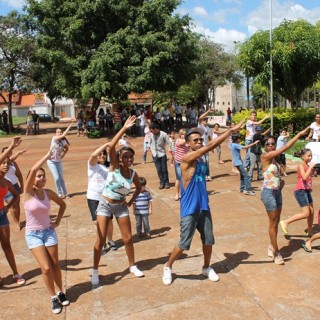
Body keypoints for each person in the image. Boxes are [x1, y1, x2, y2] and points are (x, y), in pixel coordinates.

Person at [162, 120, 245, 286]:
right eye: (195, 140)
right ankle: (168, 266)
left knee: (208, 240)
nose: (200, 142)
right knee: (184, 244)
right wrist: (229, 132)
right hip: (189, 208)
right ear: (188, 143)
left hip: (203, 206)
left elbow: (209, 145)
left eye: (201, 140)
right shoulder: (186, 159)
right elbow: (210, 146)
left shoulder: (200, 161)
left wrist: (229, 131)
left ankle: (206, 267)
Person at [91, 116, 144, 285]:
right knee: (100, 241)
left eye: (131, 157)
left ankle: (132, 265)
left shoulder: (134, 174)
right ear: (120, 159)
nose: (129, 159)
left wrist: (129, 202)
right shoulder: (114, 167)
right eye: (126, 156)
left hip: (121, 207)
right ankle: (95, 270)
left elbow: (139, 188)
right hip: (105, 206)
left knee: (128, 238)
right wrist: (124, 128)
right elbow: (111, 146)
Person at [24, 149, 69, 314]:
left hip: (49, 232)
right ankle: (53, 298)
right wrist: (47, 156)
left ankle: (60, 291)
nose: (42, 178)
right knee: (46, 268)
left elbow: (63, 205)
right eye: (38, 176)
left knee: (55, 265)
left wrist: (57, 221)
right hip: (33, 235)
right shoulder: (27, 194)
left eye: (44, 176)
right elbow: (34, 169)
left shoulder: (48, 193)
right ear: (32, 179)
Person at [260, 126, 310, 265]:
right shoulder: (265, 156)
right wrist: (299, 134)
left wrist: (280, 182)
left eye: (272, 143)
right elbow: (286, 146)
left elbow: (273, 175)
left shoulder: (274, 160)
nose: (271, 146)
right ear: (264, 147)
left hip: (277, 192)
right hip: (268, 193)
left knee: (275, 223)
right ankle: (276, 252)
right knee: (273, 222)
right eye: (268, 144)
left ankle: (271, 246)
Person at [0, 137, 26, 287]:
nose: (5, 165)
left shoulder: (6, 182)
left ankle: (16, 274)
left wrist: (7, 207)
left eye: (7, 164)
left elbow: (16, 195)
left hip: (2, 215)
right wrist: (11, 146)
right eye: (3, 163)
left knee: (7, 245)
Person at [87, 141, 117, 254]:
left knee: (109, 221)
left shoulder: (109, 167)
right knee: (98, 222)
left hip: (106, 198)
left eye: (104, 154)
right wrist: (105, 145)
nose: (102, 156)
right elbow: (93, 156)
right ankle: (102, 242)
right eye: (100, 154)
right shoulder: (92, 166)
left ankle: (110, 240)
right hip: (94, 198)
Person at [280, 149, 315, 237]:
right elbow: (304, 177)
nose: (310, 158)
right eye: (308, 156)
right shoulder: (301, 165)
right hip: (300, 191)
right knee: (306, 213)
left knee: (311, 211)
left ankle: (310, 230)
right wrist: (310, 168)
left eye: (311, 156)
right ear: (302, 156)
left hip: (306, 190)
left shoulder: (307, 165)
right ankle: (286, 222)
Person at [47, 123, 73, 199]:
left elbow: (67, 149)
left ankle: (65, 193)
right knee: (57, 177)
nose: (59, 133)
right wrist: (70, 126)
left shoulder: (63, 141)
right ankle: (59, 193)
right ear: (56, 133)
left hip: (58, 161)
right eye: (58, 132)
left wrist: (63, 155)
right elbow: (64, 135)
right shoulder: (54, 138)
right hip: (51, 161)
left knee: (61, 177)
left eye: (60, 132)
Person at [2, 147, 25, 231]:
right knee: (12, 206)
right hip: (6, 187)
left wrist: (22, 186)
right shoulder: (1, 163)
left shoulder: (13, 163)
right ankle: (16, 223)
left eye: (10, 152)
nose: (8, 154)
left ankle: (18, 220)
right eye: (6, 152)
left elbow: (19, 174)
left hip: (15, 186)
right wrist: (18, 153)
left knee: (17, 204)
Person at [149, 122, 173, 189]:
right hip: (154, 155)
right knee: (159, 170)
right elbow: (150, 142)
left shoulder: (163, 134)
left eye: (152, 130)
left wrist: (173, 151)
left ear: (156, 129)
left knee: (164, 169)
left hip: (162, 154)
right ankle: (162, 182)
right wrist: (150, 148)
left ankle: (166, 182)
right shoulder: (151, 135)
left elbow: (169, 143)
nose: (152, 132)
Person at [198, 108, 214, 181]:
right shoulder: (200, 126)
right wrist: (208, 111)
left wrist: (212, 147)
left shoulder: (208, 128)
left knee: (207, 161)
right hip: (200, 146)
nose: (205, 121)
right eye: (204, 120)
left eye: (206, 120)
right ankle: (202, 175)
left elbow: (210, 137)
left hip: (206, 146)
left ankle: (207, 174)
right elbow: (200, 117)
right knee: (202, 161)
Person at [173, 129, 189, 201]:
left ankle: (186, 193)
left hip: (186, 162)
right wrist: (189, 138)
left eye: (185, 134)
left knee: (186, 178)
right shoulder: (178, 140)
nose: (184, 135)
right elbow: (182, 142)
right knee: (179, 178)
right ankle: (177, 193)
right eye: (183, 134)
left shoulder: (187, 142)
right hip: (178, 162)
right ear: (180, 135)